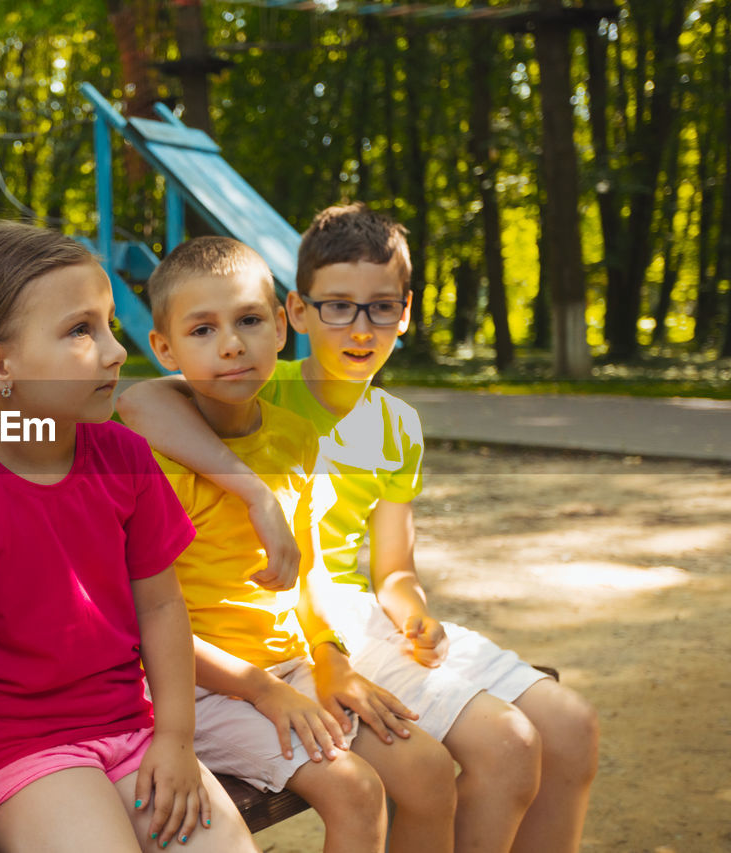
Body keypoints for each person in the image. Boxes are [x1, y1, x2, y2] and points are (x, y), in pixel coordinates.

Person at [118, 205, 599, 853]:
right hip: (267, 648)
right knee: (489, 747)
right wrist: (256, 495)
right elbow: (136, 398)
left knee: (565, 727)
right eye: (338, 306)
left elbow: (389, 566)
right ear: (299, 313)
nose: (360, 327)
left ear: (405, 312)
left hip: (333, 627)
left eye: (380, 307)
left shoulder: (380, 424)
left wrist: (410, 610)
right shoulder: (256, 385)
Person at [0, 221, 259, 853]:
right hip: (19, 753)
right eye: (80, 331)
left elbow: (163, 605)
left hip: (132, 731)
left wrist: (175, 738)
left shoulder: (124, 455)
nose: (115, 350)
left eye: (109, 324)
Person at [143, 235, 456, 853]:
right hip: (194, 687)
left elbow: (310, 571)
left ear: (283, 328)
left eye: (250, 321)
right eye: (202, 330)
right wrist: (264, 690)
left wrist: (329, 658)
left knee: (430, 770)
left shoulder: (294, 436)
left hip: (289, 668)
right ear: (164, 348)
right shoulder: (155, 460)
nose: (232, 343)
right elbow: (148, 619)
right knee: (356, 791)